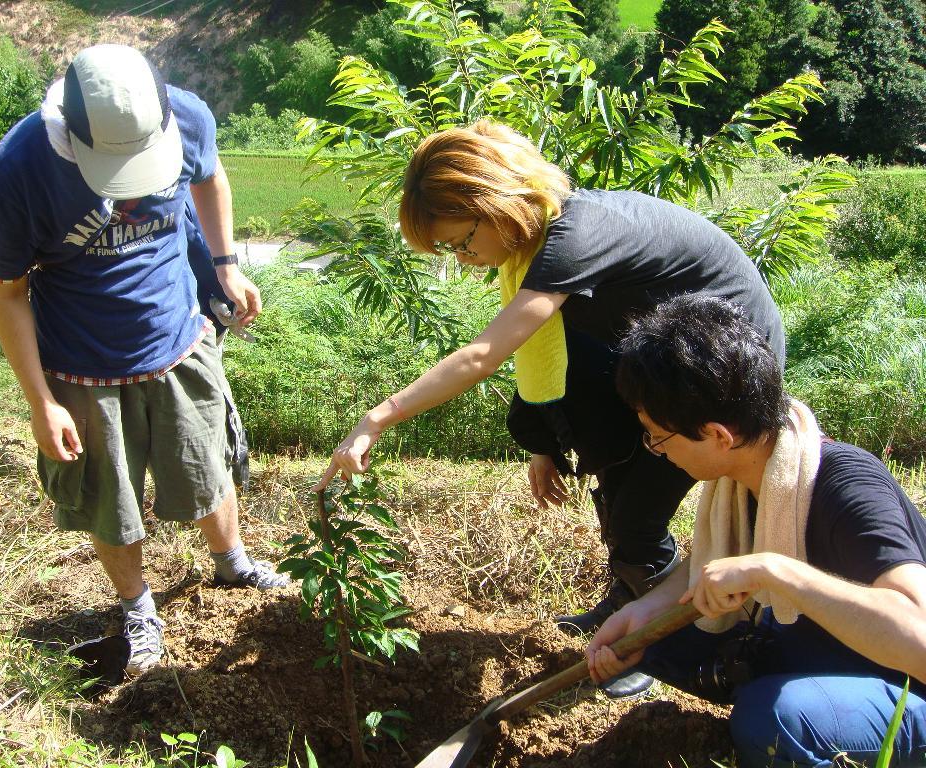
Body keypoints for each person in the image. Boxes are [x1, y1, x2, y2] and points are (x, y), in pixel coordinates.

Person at [316, 120, 785, 696]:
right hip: (657, 361)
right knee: (613, 480)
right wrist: (545, 440)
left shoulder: (576, 235)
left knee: (636, 520)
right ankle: (626, 599)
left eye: (463, 240)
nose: (465, 259)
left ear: (493, 202)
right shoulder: (546, 238)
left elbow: (484, 355)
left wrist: (377, 418)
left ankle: (657, 642)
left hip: (718, 379)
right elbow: (550, 359)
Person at [0, 44, 289, 676]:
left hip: (180, 333)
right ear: (72, 130)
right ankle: (138, 608)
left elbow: (209, 176)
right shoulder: (17, 170)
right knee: (110, 499)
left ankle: (232, 563)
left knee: (207, 464)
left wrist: (226, 265)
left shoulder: (185, 115)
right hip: (81, 361)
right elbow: (7, 292)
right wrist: (41, 401)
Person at [586, 295, 926, 767]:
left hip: (909, 684)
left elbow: (920, 639)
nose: (658, 452)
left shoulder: (847, 487)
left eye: (658, 437)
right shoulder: (746, 479)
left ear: (718, 435)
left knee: (773, 720)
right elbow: (710, 568)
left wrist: (776, 573)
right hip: (828, 649)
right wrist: (643, 613)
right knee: (660, 643)